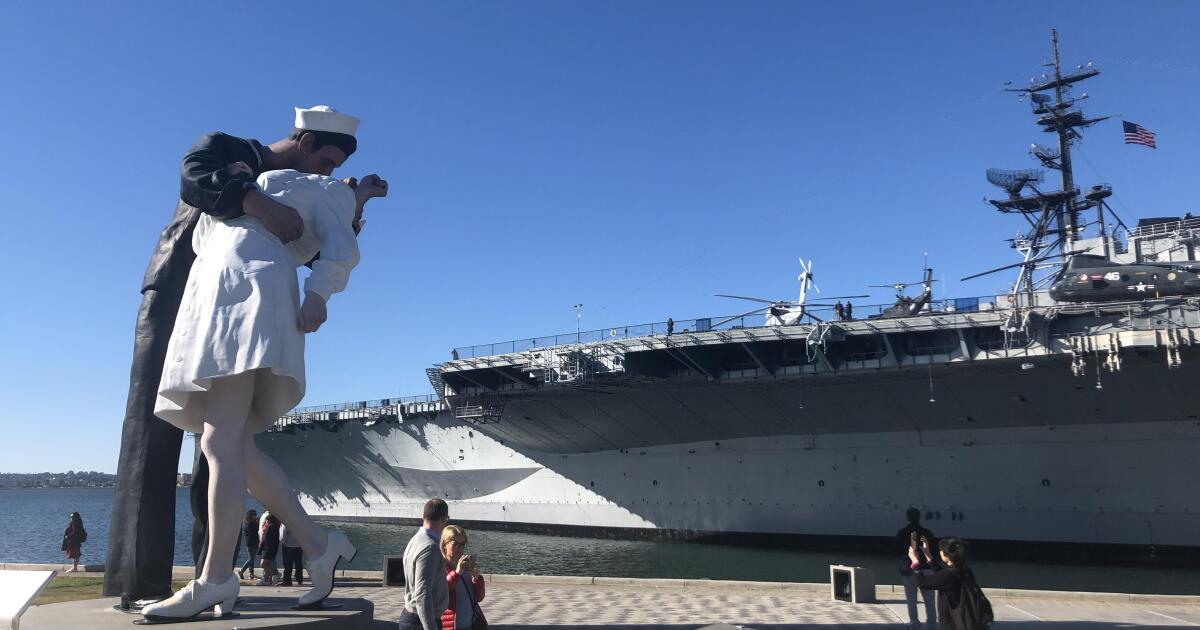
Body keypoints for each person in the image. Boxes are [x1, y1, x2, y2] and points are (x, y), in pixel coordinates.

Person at [105, 105, 372, 609]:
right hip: (206, 297)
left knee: (219, 439)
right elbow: (195, 179)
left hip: (251, 295)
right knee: (233, 447)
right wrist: (262, 204)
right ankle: (318, 544)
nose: (328, 171)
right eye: (327, 160)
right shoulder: (237, 161)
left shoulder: (319, 190)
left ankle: (216, 577)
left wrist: (317, 295)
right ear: (305, 140)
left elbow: (339, 248)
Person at [398, 499, 451, 630]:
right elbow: (422, 592)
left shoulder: (414, 540)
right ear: (444, 519)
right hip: (422, 621)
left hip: (414, 617)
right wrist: (430, 627)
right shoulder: (431, 547)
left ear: (424, 516)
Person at [910, 537, 973, 630]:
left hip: (951, 622)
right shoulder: (965, 571)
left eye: (941, 550)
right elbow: (942, 575)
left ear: (946, 554)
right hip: (962, 619)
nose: (940, 552)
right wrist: (928, 554)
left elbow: (922, 582)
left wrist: (915, 562)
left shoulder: (948, 575)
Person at [438, 525, 485, 630]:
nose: (460, 549)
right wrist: (457, 573)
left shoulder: (467, 565)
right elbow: (441, 591)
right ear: (445, 544)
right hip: (449, 625)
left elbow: (479, 598)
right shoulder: (439, 566)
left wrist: (477, 579)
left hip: (469, 624)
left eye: (463, 544)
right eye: (455, 544)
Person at [897, 508, 936, 629]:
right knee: (929, 599)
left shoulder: (902, 532)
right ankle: (932, 624)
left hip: (910, 569)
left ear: (908, 517)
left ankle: (914, 623)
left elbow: (896, 550)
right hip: (926, 569)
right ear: (919, 517)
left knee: (911, 599)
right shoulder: (927, 533)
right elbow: (933, 549)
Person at [257, 514, 281, 586]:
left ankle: (274, 575)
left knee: (263, 564)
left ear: (269, 520)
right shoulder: (275, 527)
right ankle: (268, 579)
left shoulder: (270, 527)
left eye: (266, 521)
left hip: (267, 549)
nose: (266, 522)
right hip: (270, 549)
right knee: (269, 564)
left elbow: (265, 539)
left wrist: (260, 549)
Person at [237, 510, 259, 580]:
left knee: (253, 559)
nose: (255, 516)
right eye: (254, 515)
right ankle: (241, 571)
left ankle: (251, 573)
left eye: (255, 514)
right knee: (251, 559)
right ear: (250, 515)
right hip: (250, 544)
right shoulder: (248, 524)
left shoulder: (255, 523)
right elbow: (252, 533)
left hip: (255, 543)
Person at [280, 521, 304, 586]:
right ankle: (300, 579)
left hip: (288, 546)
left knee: (288, 565)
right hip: (299, 546)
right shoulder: (300, 523)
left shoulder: (286, 523)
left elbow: (283, 535)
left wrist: (282, 543)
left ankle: (287, 581)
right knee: (298, 564)